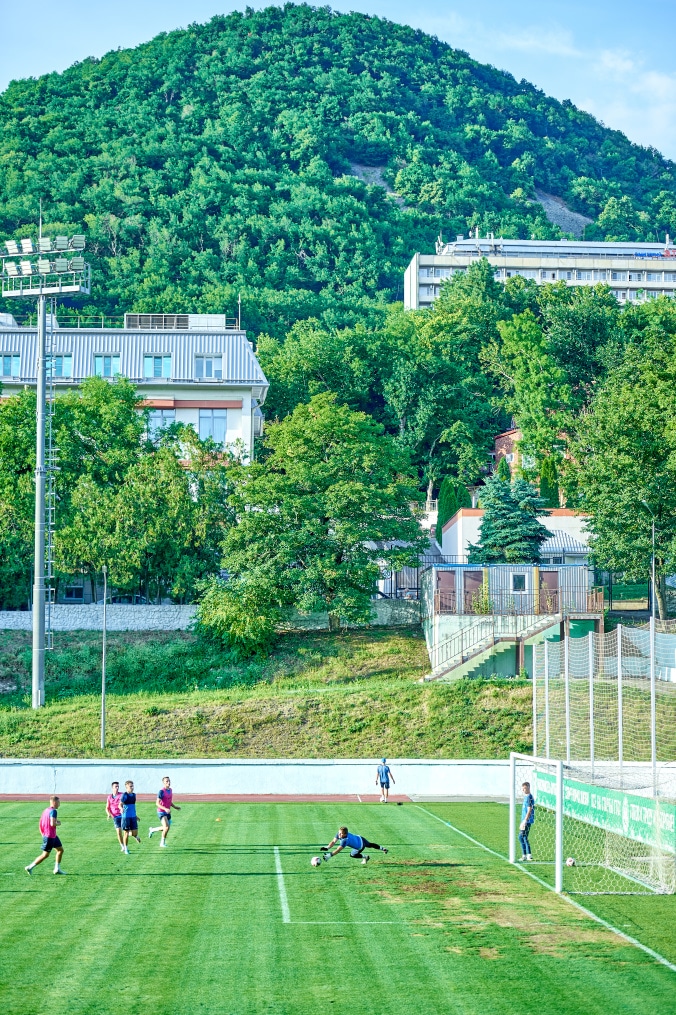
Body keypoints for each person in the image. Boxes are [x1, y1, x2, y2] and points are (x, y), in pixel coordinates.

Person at [25, 795, 65, 875]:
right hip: (50, 836)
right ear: (54, 802)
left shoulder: (46, 810)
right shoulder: (53, 811)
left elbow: (40, 823)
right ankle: (29, 867)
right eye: (58, 802)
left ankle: (57, 869)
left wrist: (42, 834)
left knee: (60, 850)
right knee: (45, 855)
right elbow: (52, 823)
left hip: (51, 835)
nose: (59, 804)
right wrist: (58, 823)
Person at [324, 826, 388, 866]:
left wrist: (328, 856)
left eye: (341, 834)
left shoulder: (345, 840)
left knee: (352, 855)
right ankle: (383, 849)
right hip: (360, 838)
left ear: (345, 834)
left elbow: (338, 850)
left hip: (360, 846)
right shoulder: (340, 834)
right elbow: (333, 841)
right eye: (339, 833)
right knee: (370, 844)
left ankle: (365, 857)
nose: (339, 835)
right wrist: (328, 847)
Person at [148, 776, 181, 848]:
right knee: (166, 827)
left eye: (169, 781)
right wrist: (165, 809)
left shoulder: (170, 790)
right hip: (161, 812)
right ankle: (162, 843)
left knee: (166, 828)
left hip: (168, 812)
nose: (168, 783)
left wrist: (175, 807)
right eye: (167, 781)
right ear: (163, 783)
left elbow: (169, 801)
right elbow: (157, 803)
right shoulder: (161, 792)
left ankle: (152, 830)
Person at [120, 780, 141, 854]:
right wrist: (121, 808)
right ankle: (126, 849)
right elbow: (120, 804)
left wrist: (136, 816)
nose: (132, 787)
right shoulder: (124, 795)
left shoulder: (134, 795)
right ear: (126, 787)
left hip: (133, 817)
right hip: (126, 817)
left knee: (134, 833)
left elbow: (133, 807)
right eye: (130, 786)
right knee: (126, 833)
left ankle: (136, 836)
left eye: (132, 786)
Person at [519, 781, 535, 861]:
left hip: (527, 821)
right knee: (523, 837)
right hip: (524, 820)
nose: (523, 790)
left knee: (521, 836)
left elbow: (529, 809)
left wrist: (525, 820)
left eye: (524, 788)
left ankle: (527, 855)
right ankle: (526, 855)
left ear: (528, 787)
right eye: (522, 789)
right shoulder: (526, 797)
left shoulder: (529, 797)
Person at [106, 781, 124, 851]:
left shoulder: (122, 795)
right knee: (119, 832)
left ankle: (135, 835)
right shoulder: (109, 797)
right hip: (115, 817)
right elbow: (107, 807)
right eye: (115, 787)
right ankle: (122, 846)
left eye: (118, 787)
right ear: (112, 788)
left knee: (127, 832)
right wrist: (108, 814)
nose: (117, 788)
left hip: (122, 815)